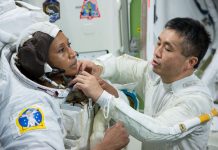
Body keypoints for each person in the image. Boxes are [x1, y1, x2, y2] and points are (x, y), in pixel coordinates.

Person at [0, 1, 129, 149]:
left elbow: (125, 107)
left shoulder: (66, 78)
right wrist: (105, 147)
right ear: (42, 64)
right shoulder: (31, 109)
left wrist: (105, 90)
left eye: (69, 45)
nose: (73, 53)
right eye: (62, 50)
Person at [71, 17, 214, 150]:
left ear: (190, 62)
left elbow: (155, 131)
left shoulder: (196, 100)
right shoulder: (155, 74)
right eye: (159, 43)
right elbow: (121, 65)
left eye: (168, 48)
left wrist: (102, 96)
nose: (157, 52)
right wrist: (98, 67)